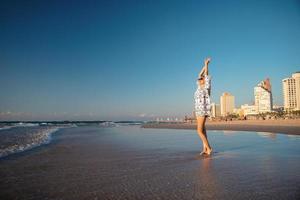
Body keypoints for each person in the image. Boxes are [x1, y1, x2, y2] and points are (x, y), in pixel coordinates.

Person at [194, 57, 213, 155]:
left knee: (199, 130)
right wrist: (204, 65)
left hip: (203, 110)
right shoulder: (199, 86)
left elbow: (205, 74)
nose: (199, 79)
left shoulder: (207, 86)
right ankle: (205, 149)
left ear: (205, 80)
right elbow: (200, 74)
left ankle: (209, 148)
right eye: (199, 79)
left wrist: (206, 64)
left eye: (201, 78)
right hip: (198, 110)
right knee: (203, 130)